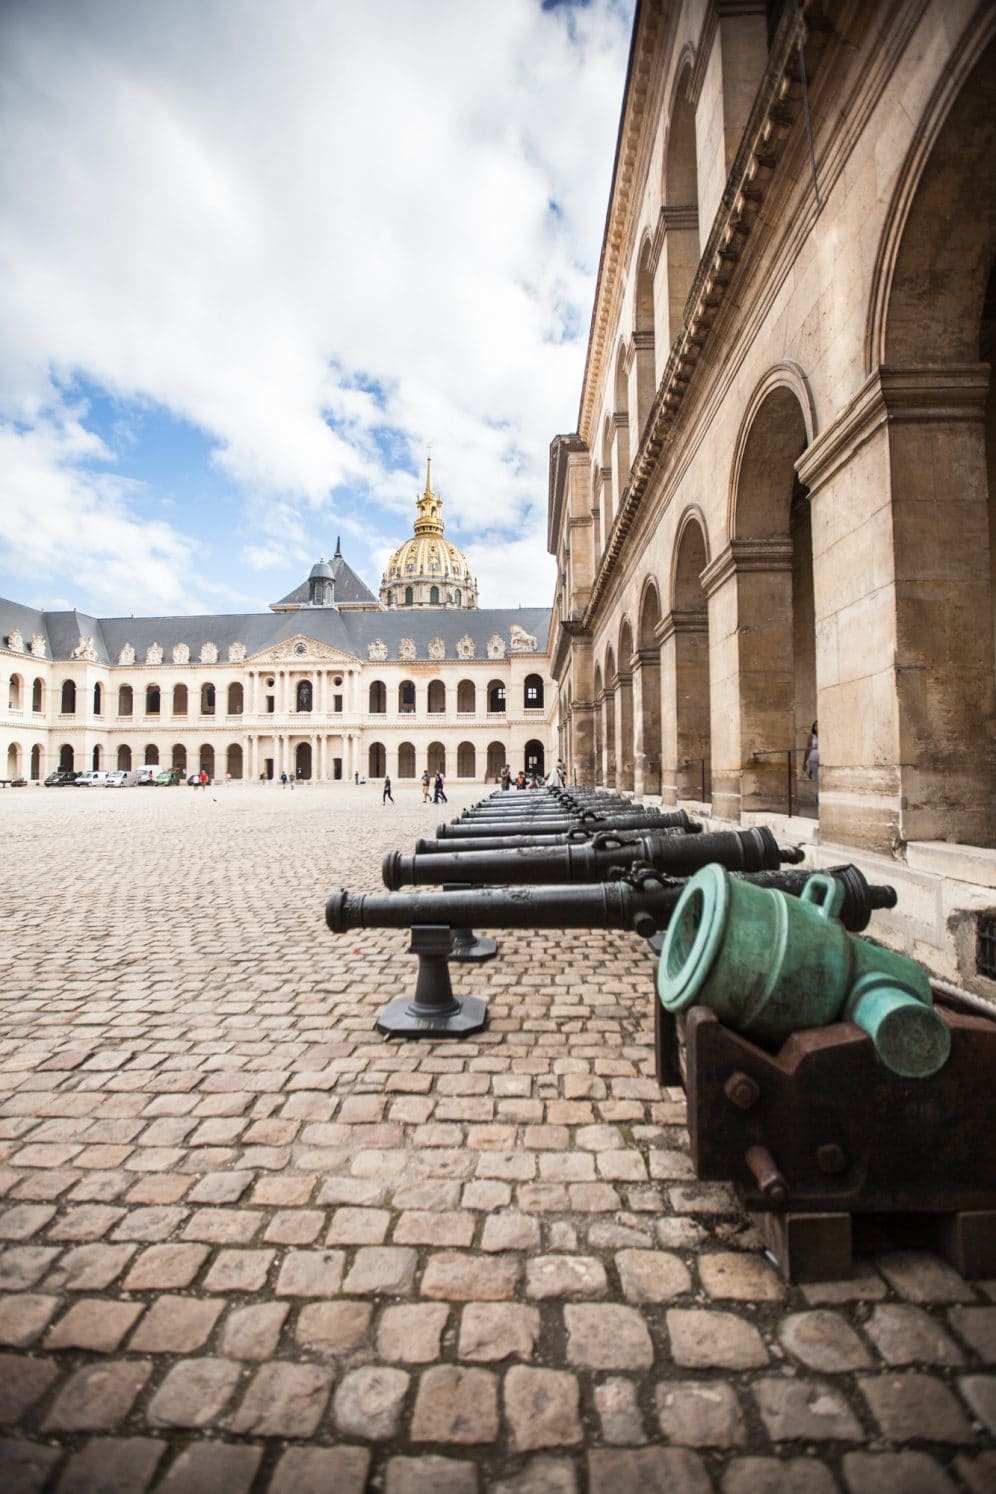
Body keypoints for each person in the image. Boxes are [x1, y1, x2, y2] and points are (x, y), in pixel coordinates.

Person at [803, 721, 819, 787]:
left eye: (817, 725)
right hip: (814, 760)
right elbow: (808, 749)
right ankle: (818, 797)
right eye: (815, 725)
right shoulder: (812, 736)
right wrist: (804, 762)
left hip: (823, 761)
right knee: (818, 781)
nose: (816, 727)